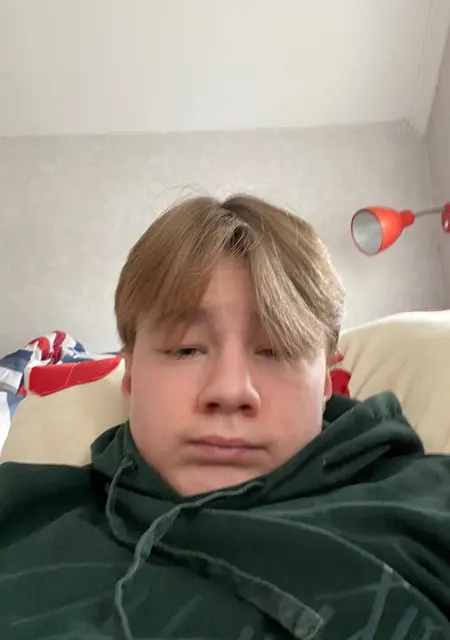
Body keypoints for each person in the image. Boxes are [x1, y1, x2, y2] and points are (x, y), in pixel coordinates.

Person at [0, 194, 449, 640]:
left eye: (275, 350)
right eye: (186, 349)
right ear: (131, 374)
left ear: (327, 380)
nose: (230, 391)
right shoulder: (18, 518)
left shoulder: (431, 505)